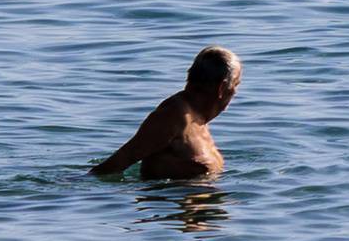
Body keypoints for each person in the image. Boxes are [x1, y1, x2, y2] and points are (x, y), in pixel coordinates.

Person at [89, 46, 241, 179]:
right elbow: (117, 163)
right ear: (222, 88)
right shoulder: (174, 116)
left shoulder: (198, 120)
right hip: (170, 205)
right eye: (236, 84)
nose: (236, 91)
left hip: (198, 206)